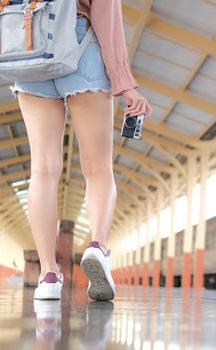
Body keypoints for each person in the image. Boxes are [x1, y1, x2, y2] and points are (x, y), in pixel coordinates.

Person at [10, 0, 152, 301]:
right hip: (78, 42)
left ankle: (48, 275)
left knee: (43, 171)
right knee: (97, 168)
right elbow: (106, 16)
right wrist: (125, 84)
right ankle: (98, 246)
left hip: (30, 45)